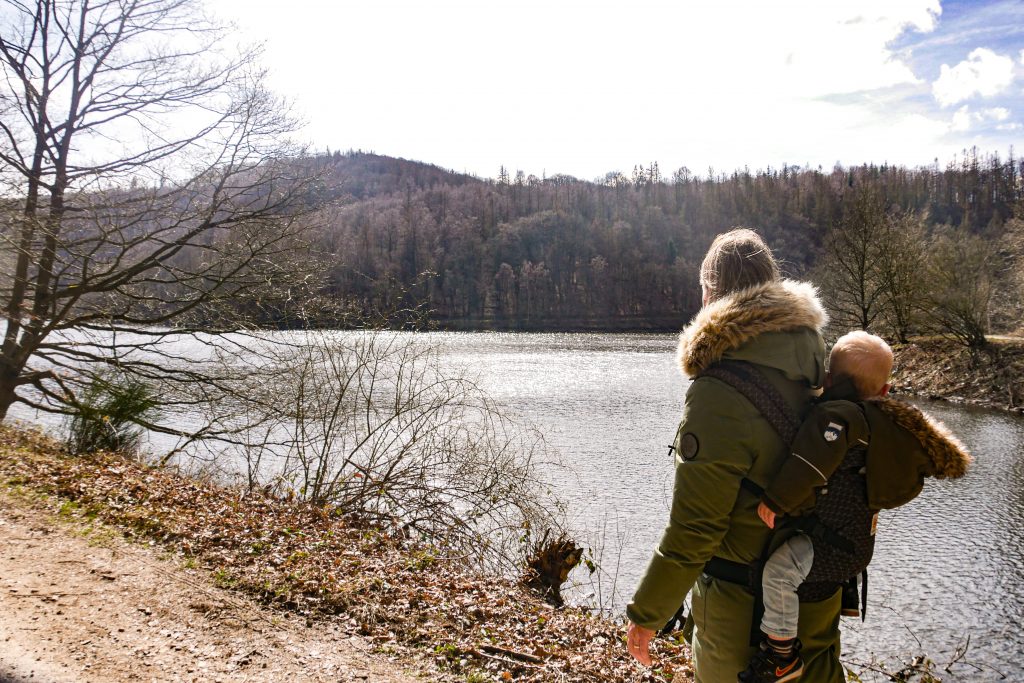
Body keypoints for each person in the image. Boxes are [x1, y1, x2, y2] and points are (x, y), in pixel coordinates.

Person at [626, 228, 842, 682]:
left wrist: (648, 613)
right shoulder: (821, 367)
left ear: (710, 294)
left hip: (742, 615)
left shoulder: (718, 392)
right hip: (818, 593)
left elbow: (697, 528)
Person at [739, 331, 971, 683]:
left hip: (832, 545)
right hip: (856, 543)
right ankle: (844, 592)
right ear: (884, 391)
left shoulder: (838, 417)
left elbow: (809, 464)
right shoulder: (881, 424)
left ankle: (781, 655)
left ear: (829, 379)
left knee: (779, 574)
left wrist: (776, 500)